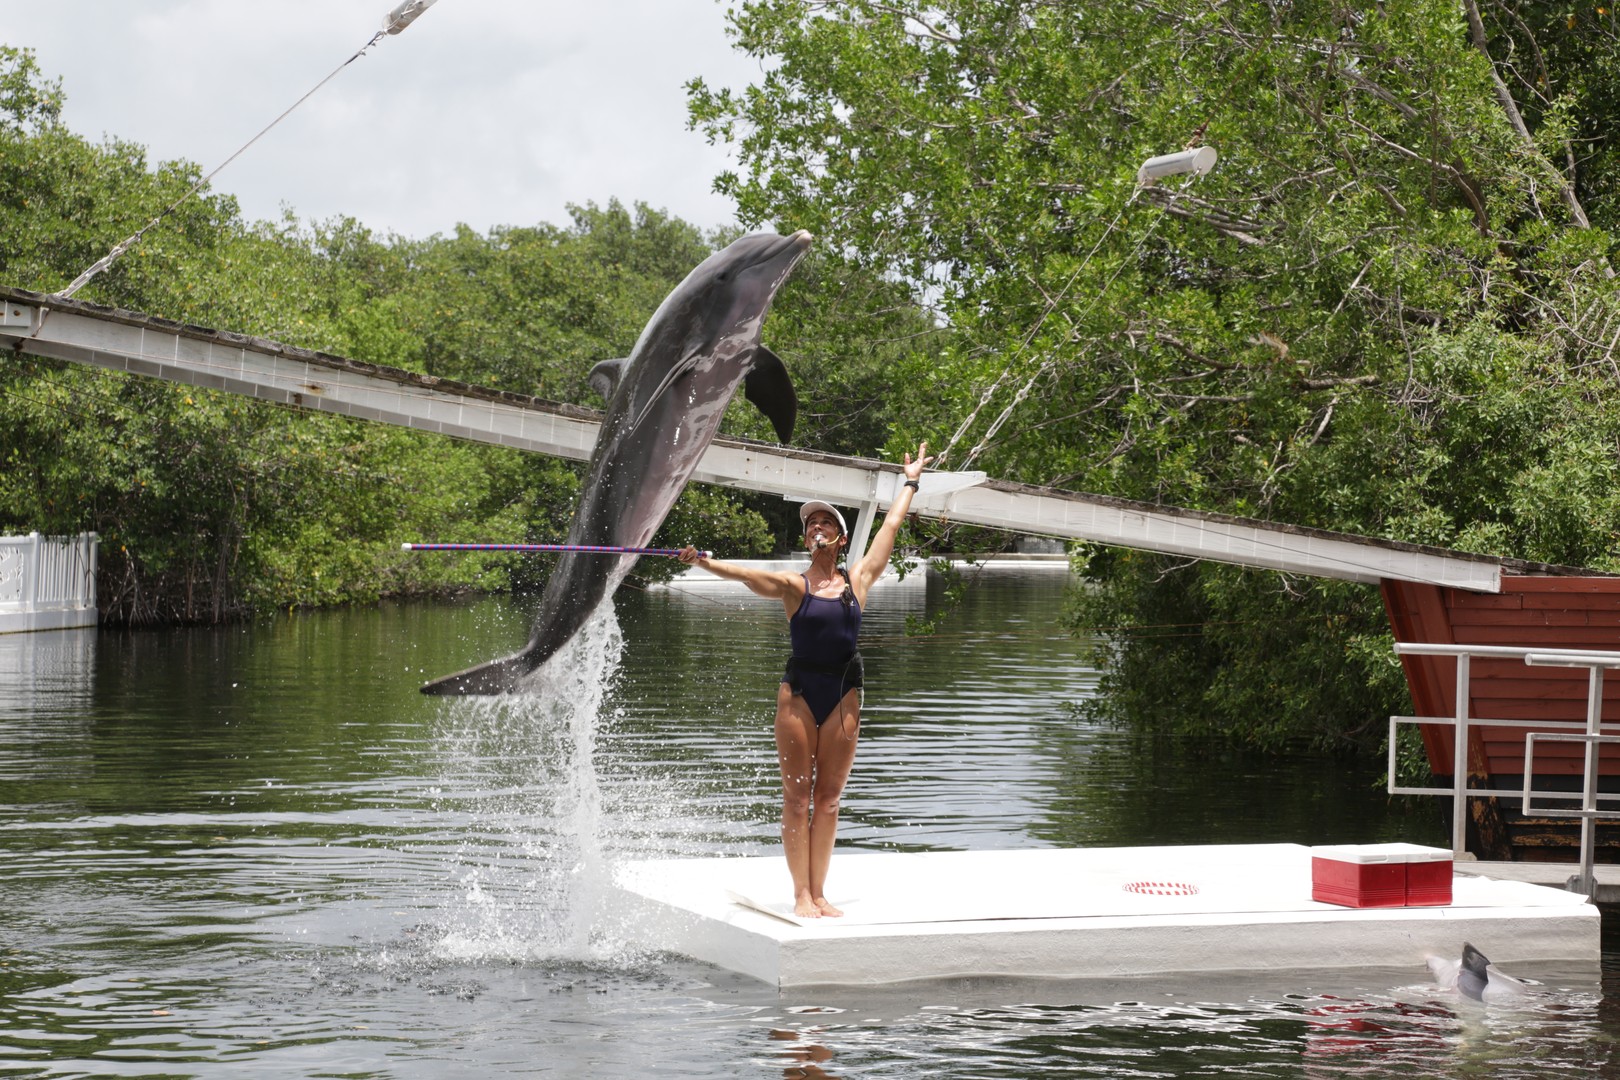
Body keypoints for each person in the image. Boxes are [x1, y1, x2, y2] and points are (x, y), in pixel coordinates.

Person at [678, 442, 932, 918]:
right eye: (810, 524)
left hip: (844, 693)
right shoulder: (794, 586)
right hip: (798, 694)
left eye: (826, 523)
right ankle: (799, 895)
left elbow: (891, 528)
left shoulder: (858, 581)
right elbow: (747, 576)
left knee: (829, 799)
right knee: (797, 798)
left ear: (839, 538)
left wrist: (910, 481)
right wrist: (705, 563)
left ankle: (820, 894)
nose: (816, 527)